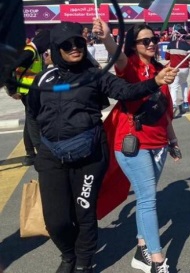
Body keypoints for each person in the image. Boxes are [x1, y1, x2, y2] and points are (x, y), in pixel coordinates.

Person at [27, 22, 176, 273]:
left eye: (79, 43)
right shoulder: (44, 79)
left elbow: (127, 90)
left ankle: (83, 263)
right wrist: (38, 152)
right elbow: (32, 115)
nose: (74, 48)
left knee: (84, 214)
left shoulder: (95, 75)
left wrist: (154, 82)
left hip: (89, 156)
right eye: (67, 45)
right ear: (55, 49)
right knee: (57, 221)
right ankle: (68, 255)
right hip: (52, 158)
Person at [93, 20, 180, 273]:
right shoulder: (128, 66)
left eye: (153, 39)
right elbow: (116, 54)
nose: (152, 43)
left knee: (145, 198)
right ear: (135, 45)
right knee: (148, 199)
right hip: (133, 144)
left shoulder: (159, 68)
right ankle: (156, 260)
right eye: (145, 41)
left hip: (159, 143)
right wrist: (108, 37)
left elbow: (164, 109)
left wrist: (172, 139)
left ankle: (142, 248)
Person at [7, 29, 50, 166]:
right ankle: (39, 151)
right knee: (33, 121)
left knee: (29, 121)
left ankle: (30, 154)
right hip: (27, 92)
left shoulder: (34, 51)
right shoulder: (30, 51)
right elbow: (8, 68)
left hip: (31, 91)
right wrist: (12, 90)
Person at [165, 29, 190, 114]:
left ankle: (173, 105)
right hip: (185, 68)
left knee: (174, 86)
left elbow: (167, 57)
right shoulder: (188, 46)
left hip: (174, 68)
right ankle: (186, 103)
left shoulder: (170, 44)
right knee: (184, 84)